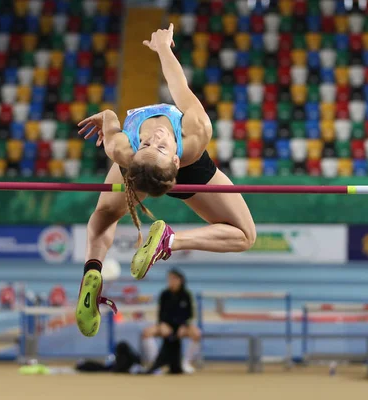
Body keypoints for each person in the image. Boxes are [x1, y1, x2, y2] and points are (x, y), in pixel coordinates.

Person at [75, 23, 256, 337]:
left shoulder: (125, 150)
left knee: (103, 217)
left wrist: (105, 115)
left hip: (163, 167)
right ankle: (167, 242)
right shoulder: (192, 133)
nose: (155, 136)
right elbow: (179, 87)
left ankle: (96, 267)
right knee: (245, 235)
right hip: (169, 169)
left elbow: (110, 121)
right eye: (151, 144)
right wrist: (163, 47)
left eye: (154, 144)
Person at [141, 269, 200, 374]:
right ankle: (156, 363)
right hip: (166, 325)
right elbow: (161, 313)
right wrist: (162, 324)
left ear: (180, 280)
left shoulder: (186, 295)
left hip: (182, 326)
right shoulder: (164, 294)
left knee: (196, 334)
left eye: (173, 279)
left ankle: (186, 362)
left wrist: (183, 325)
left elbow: (189, 314)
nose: (171, 281)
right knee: (147, 332)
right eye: (169, 279)